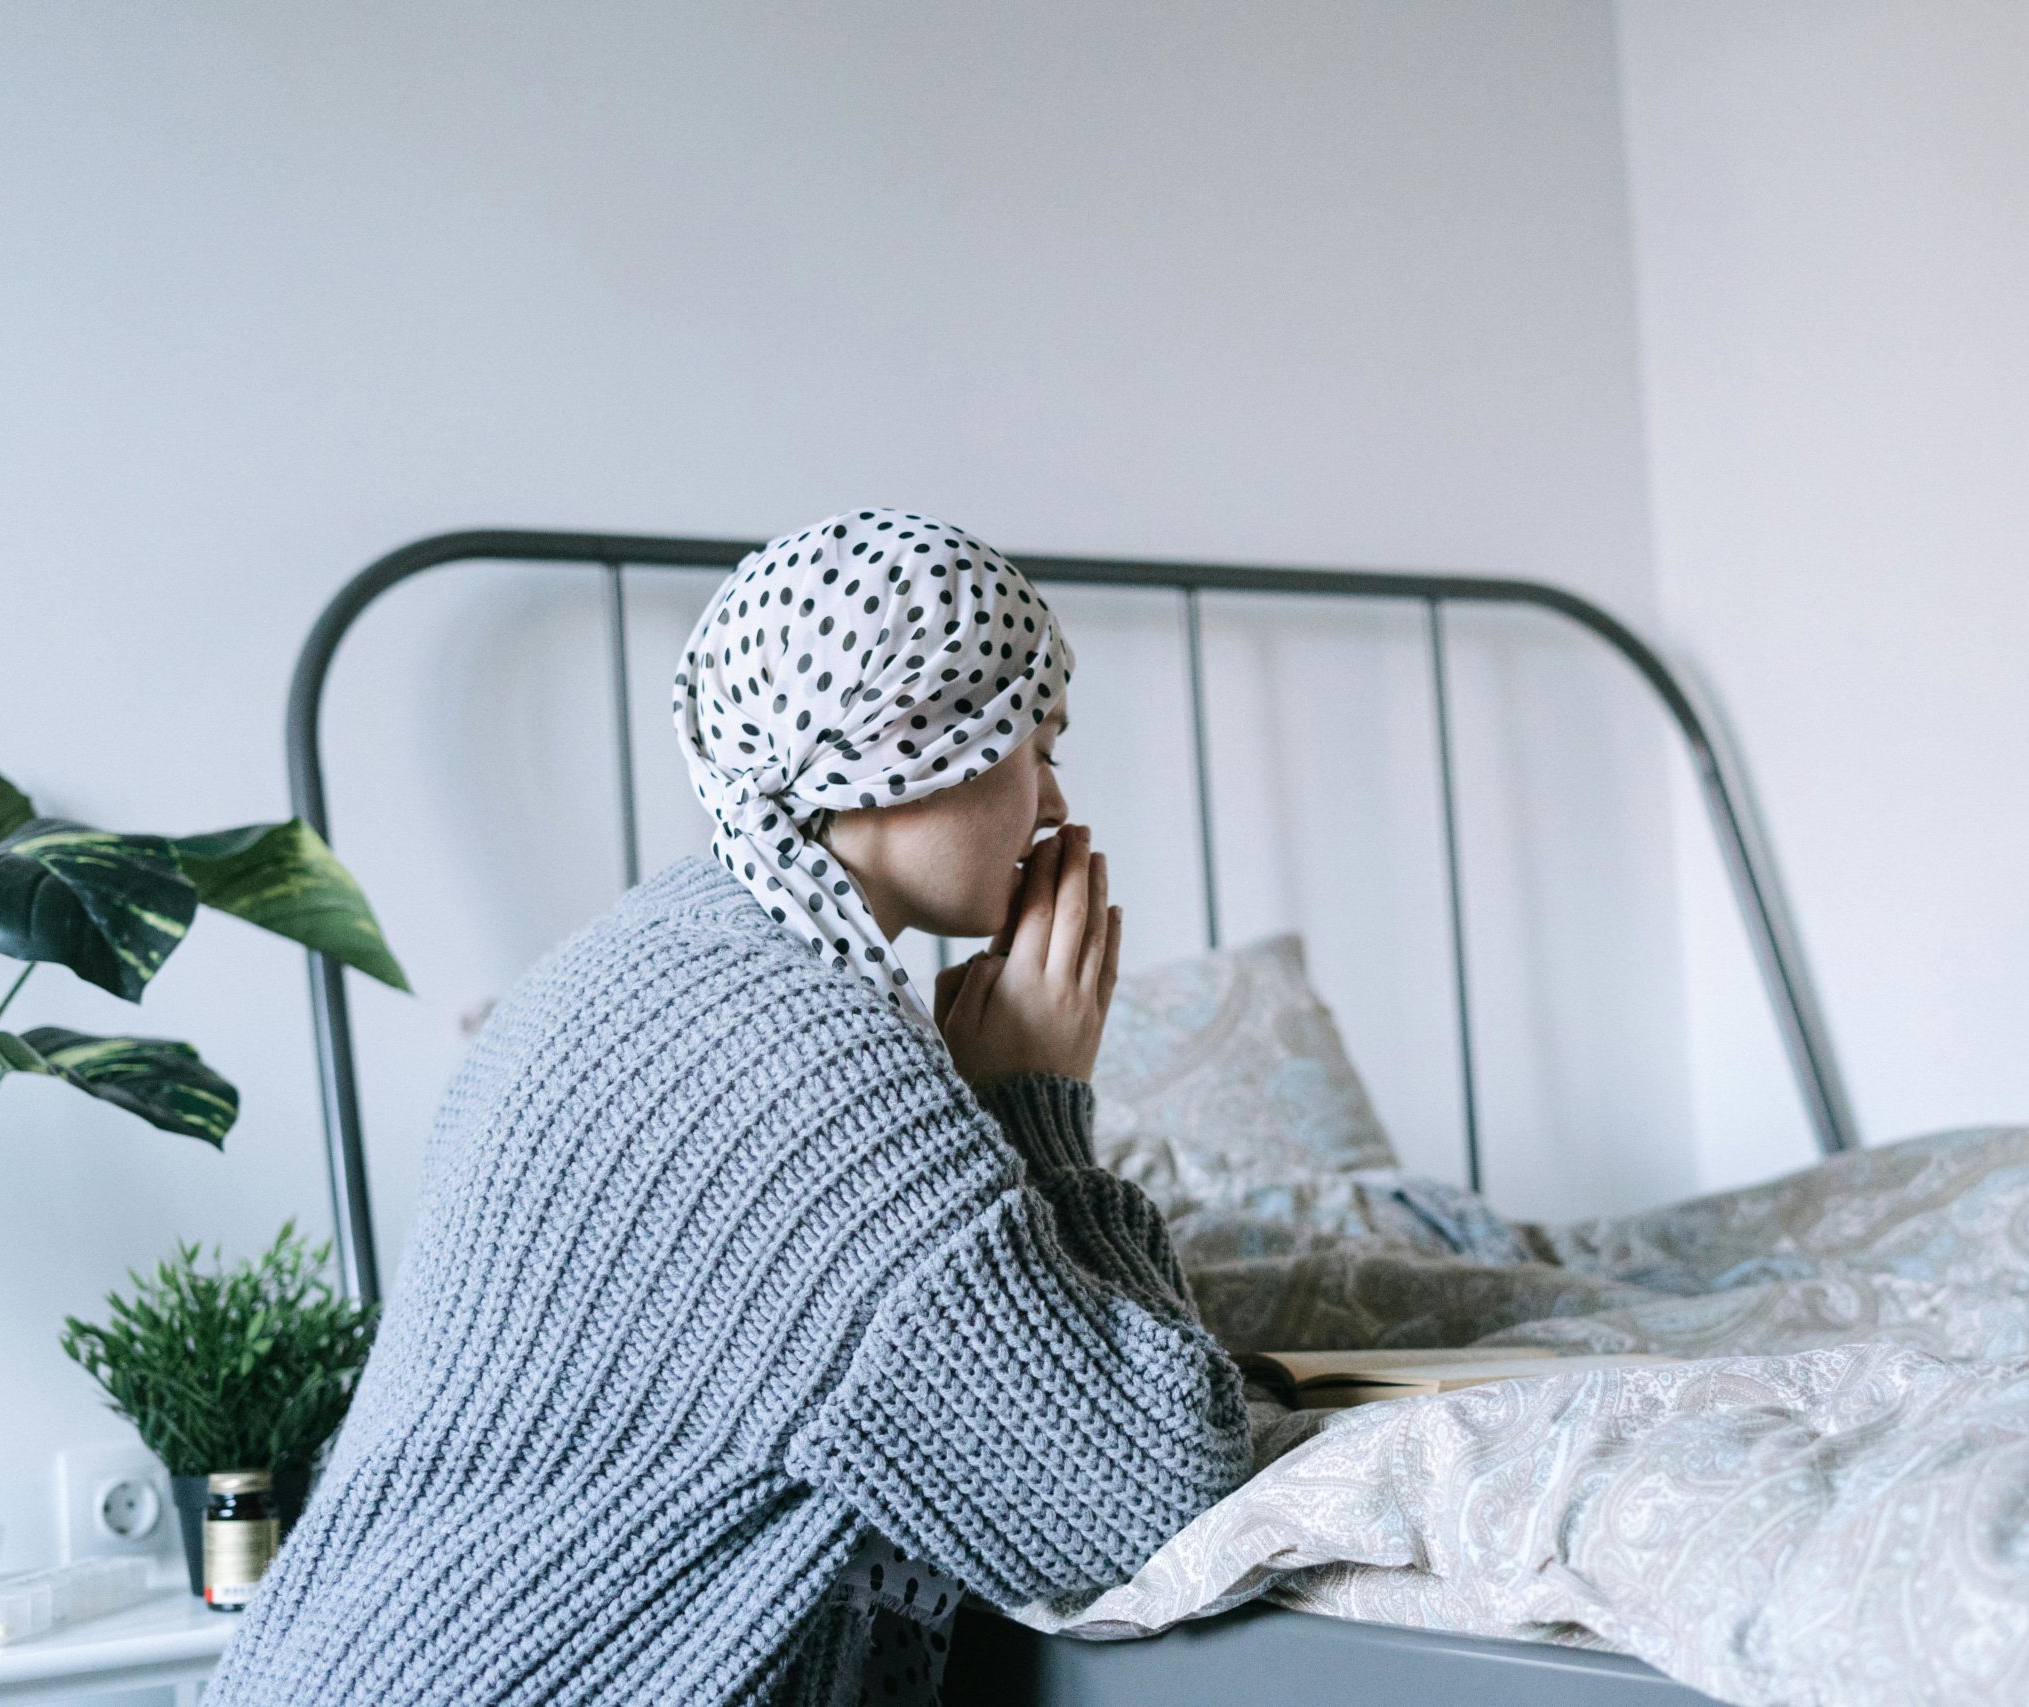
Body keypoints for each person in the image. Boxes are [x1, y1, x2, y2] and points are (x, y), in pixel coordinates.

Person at [206, 510, 1253, 1706]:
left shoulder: (649, 957)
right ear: (918, 742)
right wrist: (1036, 1104)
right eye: (1035, 744)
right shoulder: (817, 1064)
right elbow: (1150, 1503)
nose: (1058, 806)